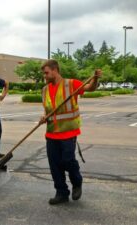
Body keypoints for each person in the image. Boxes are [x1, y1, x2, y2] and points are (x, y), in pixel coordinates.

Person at [40, 59, 101, 205]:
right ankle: (61, 192)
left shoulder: (71, 84)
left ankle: (77, 182)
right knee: (54, 165)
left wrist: (96, 78)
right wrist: (44, 117)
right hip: (51, 133)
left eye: (46, 73)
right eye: (44, 74)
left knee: (67, 160)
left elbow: (90, 88)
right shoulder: (45, 89)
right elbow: (49, 110)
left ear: (55, 70)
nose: (45, 76)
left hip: (68, 132)